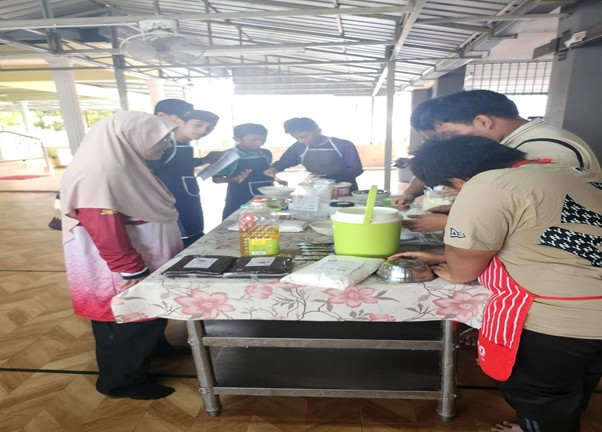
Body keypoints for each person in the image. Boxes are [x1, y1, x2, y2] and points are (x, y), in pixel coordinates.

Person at [389, 135, 602, 432]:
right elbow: (539, 242)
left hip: (559, 322)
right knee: (576, 384)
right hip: (591, 317)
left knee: (541, 397)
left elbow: (463, 269)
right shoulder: (573, 173)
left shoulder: (487, 184)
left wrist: (445, 266)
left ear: (457, 180)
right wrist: (441, 256)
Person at [60, 111, 186, 400]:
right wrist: (131, 269)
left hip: (146, 256)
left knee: (147, 312)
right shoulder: (99, 173)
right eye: (160, 138)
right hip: (121, 267)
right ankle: (122, 382)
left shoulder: (125, 165)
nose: (167, 144)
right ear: (130, 137)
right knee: (125, 319)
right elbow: (103, 227)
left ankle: (156, 349)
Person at [391, 89, 601, 232]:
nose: (450, 143)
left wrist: (450, 222)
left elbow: (545, 215)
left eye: (450, 135)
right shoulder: (518, 143)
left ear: (483, 122)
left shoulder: (545, 148)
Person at [151, 99, 223, 247]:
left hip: (189, 195)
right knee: (179, 237)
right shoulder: (162, 144)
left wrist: (204, 160)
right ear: (180, 121)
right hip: (170, 198)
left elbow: (180, 164)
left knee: (194, 232)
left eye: (209, 129)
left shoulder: (185, 143)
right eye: (198, 125)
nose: (203, 131)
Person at [263, 117, 364, 190]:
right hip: (314, 189)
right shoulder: (299, 146)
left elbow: (355, 169)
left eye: (304, 136)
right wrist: (274, 168)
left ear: (318, 131)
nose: (301, 141)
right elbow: (285, 161)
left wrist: (327, 177)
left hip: (343, 189)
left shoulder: (343, 145)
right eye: (297, 138)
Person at [212, 123, 277, 219]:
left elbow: (265, 172)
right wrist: (236, 178)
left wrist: (275, 177)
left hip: (266, 198)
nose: (259, 143)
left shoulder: (266, 153)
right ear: (237, 139)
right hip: (239, 199)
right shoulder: (227, 156)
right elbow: (216, 179)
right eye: (253, 140)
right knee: (237, 224)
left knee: (268, 223)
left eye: (263, 140)